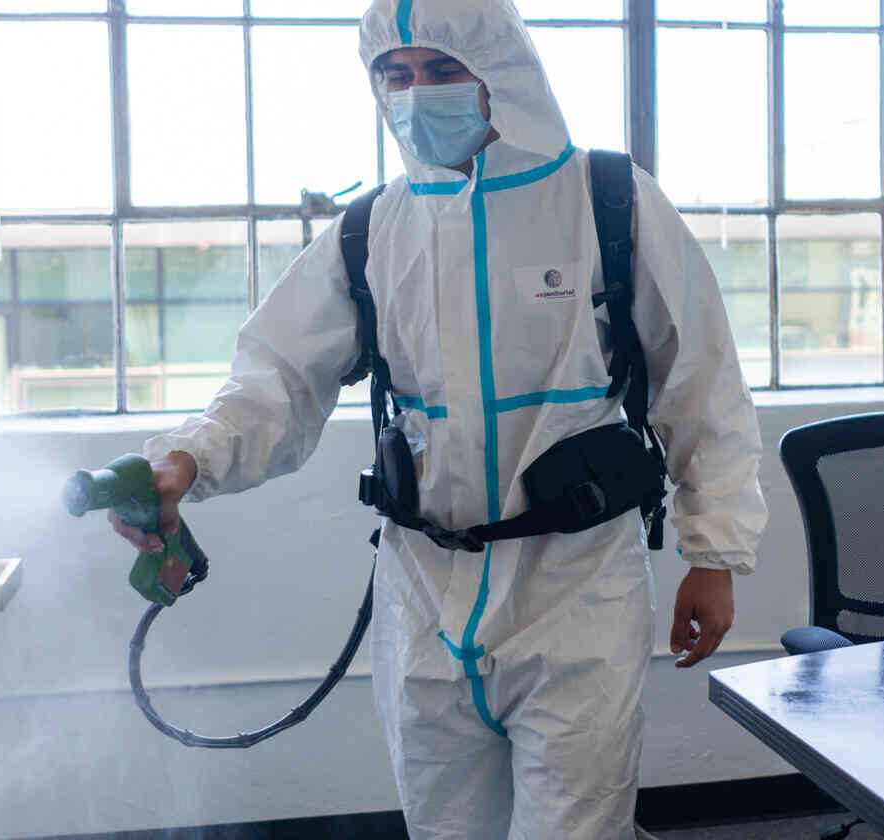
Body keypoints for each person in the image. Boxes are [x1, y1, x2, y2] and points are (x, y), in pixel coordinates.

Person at [111, 1, 767, 838]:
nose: (417, 94)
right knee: (443, 829)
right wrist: (185, 463)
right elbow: (274, 378)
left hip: (577, 589)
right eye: (397, 74)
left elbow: (701, 385)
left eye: (443, 69)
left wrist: (716, 556)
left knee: (574, 829)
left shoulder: (609, 202)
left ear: (502, 74)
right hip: (423, 594)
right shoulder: (371, 230)